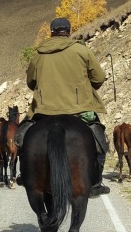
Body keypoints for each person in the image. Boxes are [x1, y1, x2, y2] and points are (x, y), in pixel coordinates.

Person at [16, 17, 110, 198]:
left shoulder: (38, 54)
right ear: (69, 31)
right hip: (79, 110)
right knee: (99, 139)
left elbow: (30, 82)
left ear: (51, 32)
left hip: (43, 112)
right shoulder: (82, 51)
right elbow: (99, 78)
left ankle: (24, 173)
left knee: (22, 137)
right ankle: (96, 182)